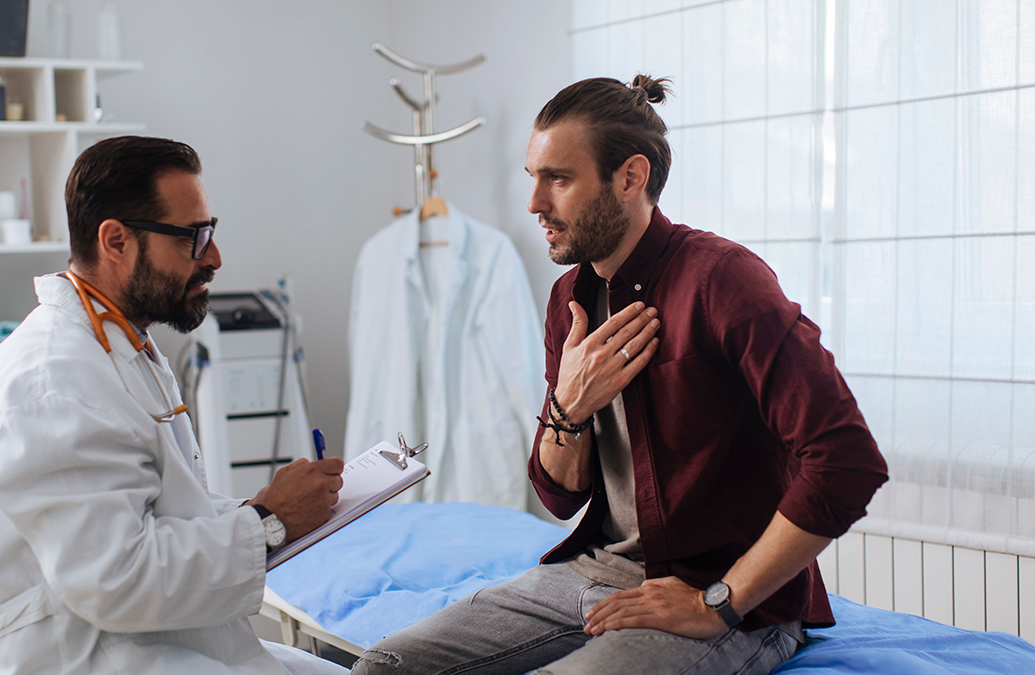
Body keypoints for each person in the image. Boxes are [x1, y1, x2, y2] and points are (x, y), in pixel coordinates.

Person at [351, 76, 889, 675]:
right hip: (590, 573)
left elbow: (847, 460)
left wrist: (718, 603)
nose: (534, 203)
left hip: (720, 597)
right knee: (385, 666)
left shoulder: (723, 280)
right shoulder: (568, 301)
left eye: (558, 179)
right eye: (533, 177)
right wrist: (569, 406)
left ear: (630, 178)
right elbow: (559, 495)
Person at [0, 136, 348, 675]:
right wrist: (269, 522)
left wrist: (261, 507)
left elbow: (163, 509)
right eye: (194, 238)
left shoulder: (120, 346)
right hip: (84, 657)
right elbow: (116, 579)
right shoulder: (52, 381)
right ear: (116, 241)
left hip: (159, 640)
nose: (214, 258)